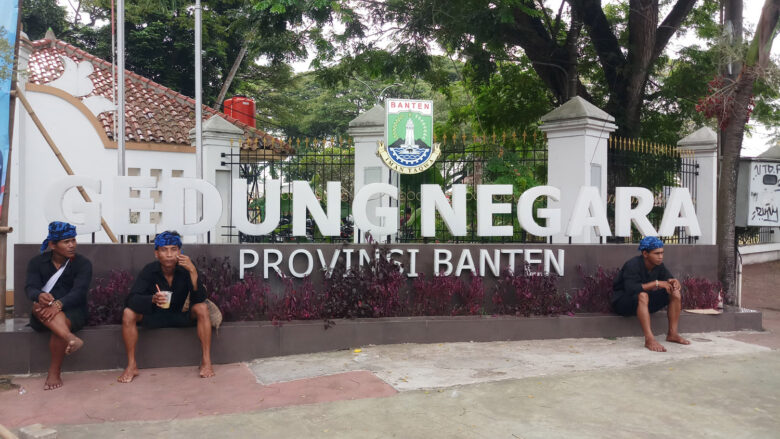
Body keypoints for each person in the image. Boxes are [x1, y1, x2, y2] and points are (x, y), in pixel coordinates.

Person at [118, 231, 215, 382]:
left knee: (202, 308)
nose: (169, 254)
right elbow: (131, 299)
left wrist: (193, 272)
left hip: (179, 315)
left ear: (180, 252)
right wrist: (152, 299)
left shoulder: (187, 268)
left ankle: (206, 361)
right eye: (164, 250)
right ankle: (132, 365)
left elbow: (199, 299)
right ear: (156, 253)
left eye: (173, 249)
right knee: (128, 313)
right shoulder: (149, 270)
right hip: (155, 315)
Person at [25, 221, 92, 390]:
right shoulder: (36, 263)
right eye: (66, 242)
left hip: (74, 311)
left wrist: (59, 304)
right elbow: (30, 287)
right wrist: (39, 295)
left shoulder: (83, 264)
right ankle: (70, 338)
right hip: (43, 312)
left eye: (73, 240)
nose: (72, 245)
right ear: (53, 244)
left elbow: (79, 291)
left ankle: (54, 372)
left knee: (58, 324)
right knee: (39, 308)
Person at [612, 236, 690, 352]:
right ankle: (649, 339)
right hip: (623, 303)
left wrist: (674, 282)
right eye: (657, 253)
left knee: (675, 293)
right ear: (645, 253)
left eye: (662, 253)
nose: (661, 257)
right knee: (643, 295)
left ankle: (672, 334)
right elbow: (631, 289)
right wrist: (656, 283)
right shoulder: (632, 265)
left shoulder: (659, 265)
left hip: (643, 305)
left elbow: (668, 279)